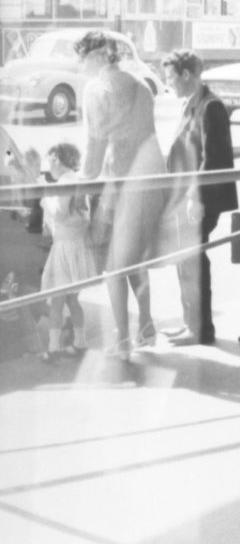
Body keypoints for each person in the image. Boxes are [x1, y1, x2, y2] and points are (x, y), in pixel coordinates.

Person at [76, 29, 167, 360]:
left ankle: (123, 339)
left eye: (83, 57)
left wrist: (80, 179)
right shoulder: (141, 85)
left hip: (121, 184)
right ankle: (144, 323)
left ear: (98, 56)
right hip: (152, 180)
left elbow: (95, 149)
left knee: (113, 264)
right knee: (135, 259)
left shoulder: (96, 90)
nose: (80, 64)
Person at [162, 49, 239, 346]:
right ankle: (191, 323)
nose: (168, 84)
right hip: (185, 197)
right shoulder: (193, 103)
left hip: (198, 198)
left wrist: (197, 197)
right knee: (186, 260)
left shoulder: (210, 107)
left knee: (193, 260)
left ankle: (200, 329)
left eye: (170, 77)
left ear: (185, 75)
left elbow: (213, 158)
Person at [39, 142, 97, 360]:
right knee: (72, 299)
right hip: (77, 246)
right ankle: (80, 342)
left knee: (56, 300)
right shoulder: (77, 180)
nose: (49, 166)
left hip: (64, 248)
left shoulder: (63, 183)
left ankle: (54, 348)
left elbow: (60, 213)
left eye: (50, 161)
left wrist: (45, 201)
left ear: (58, 160)